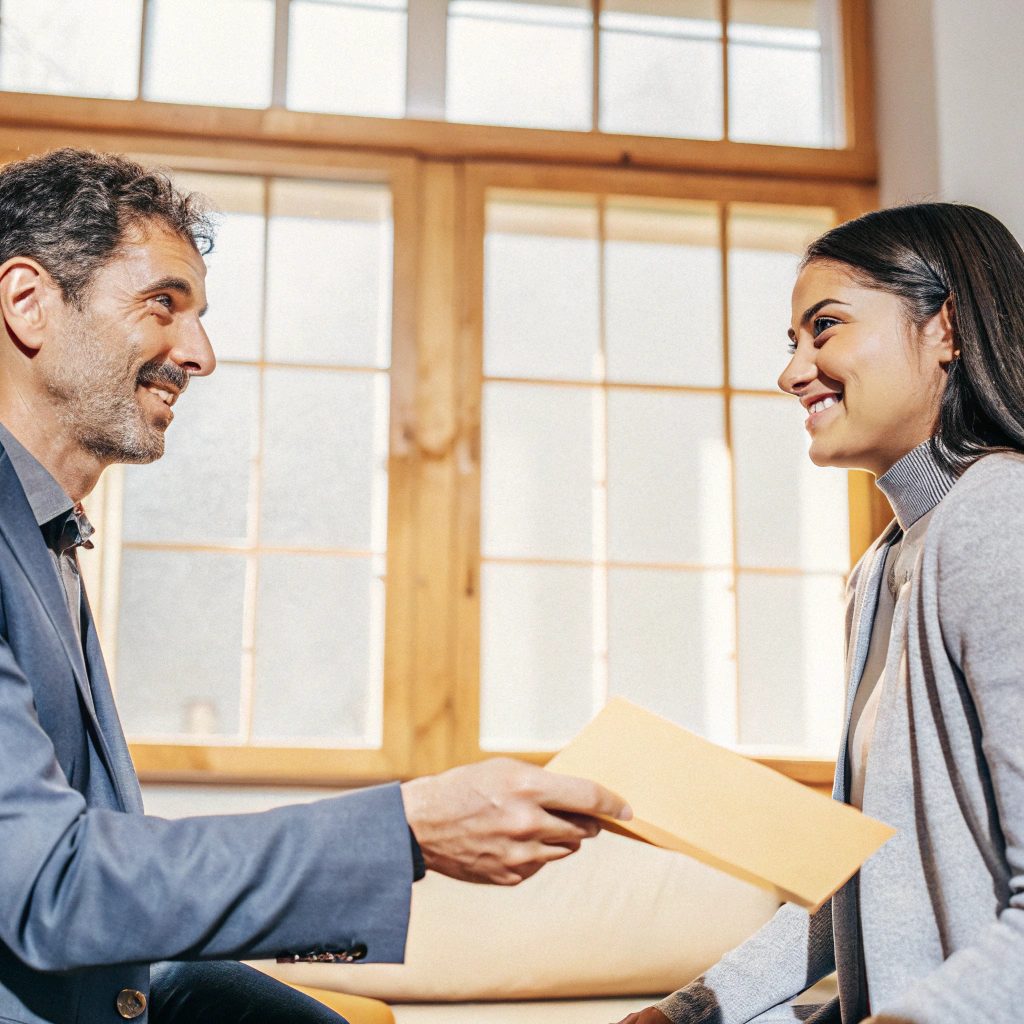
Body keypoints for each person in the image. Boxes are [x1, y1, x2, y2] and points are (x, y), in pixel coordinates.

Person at [0, 147, 631, 1024]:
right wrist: (406, 830)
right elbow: (46, 885)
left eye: (199, 315)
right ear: (27, 302)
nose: (201, 353)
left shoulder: (47, 535)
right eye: (163, 305)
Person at [616, 203, 1024, 1024]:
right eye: (792, 344)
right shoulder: (879, 569)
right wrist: (690, 1010)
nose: (793, 372)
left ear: (945, 327)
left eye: (825, 328)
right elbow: (863, 881)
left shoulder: (998, 513)